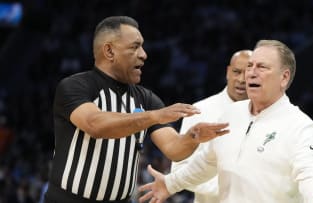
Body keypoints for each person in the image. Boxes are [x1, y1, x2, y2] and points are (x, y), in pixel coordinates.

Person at [44, 16, 229, 203]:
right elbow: (95, 124)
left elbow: (174, 148)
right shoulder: (74, 86)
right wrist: (154, 116)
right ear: (109, 51)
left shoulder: (146, 99)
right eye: (135, 47)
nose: (144, 54)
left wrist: (192, 137)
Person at [139, 39, 313, 203]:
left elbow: (308, 171)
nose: (251, 73)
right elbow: (207, 162)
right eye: (250, 66)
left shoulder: (300, 125)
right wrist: (170, 183)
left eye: (262, 67)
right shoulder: (232, 113)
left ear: (284, 77)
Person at [170, 50, 252, 203]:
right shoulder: (200, 110)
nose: (241, 79)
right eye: (236, 72)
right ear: (228, 72)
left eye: (248, 74)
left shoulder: (267, 115)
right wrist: (229, 188)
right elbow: (180, 169)